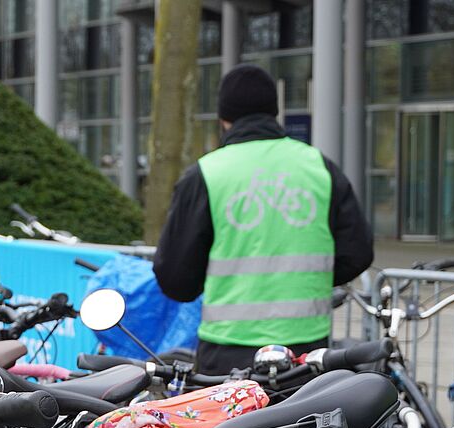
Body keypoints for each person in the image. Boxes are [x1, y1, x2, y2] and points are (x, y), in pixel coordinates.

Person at [152, 64, 373, 376]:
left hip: (228, 350)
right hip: (307, 350)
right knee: (306, 425)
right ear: (274, 112)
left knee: (231, 427)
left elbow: (175, 277)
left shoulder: (206, 174)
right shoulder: (319, 167)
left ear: (223, 119)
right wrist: (307, 282)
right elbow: (358, 252)